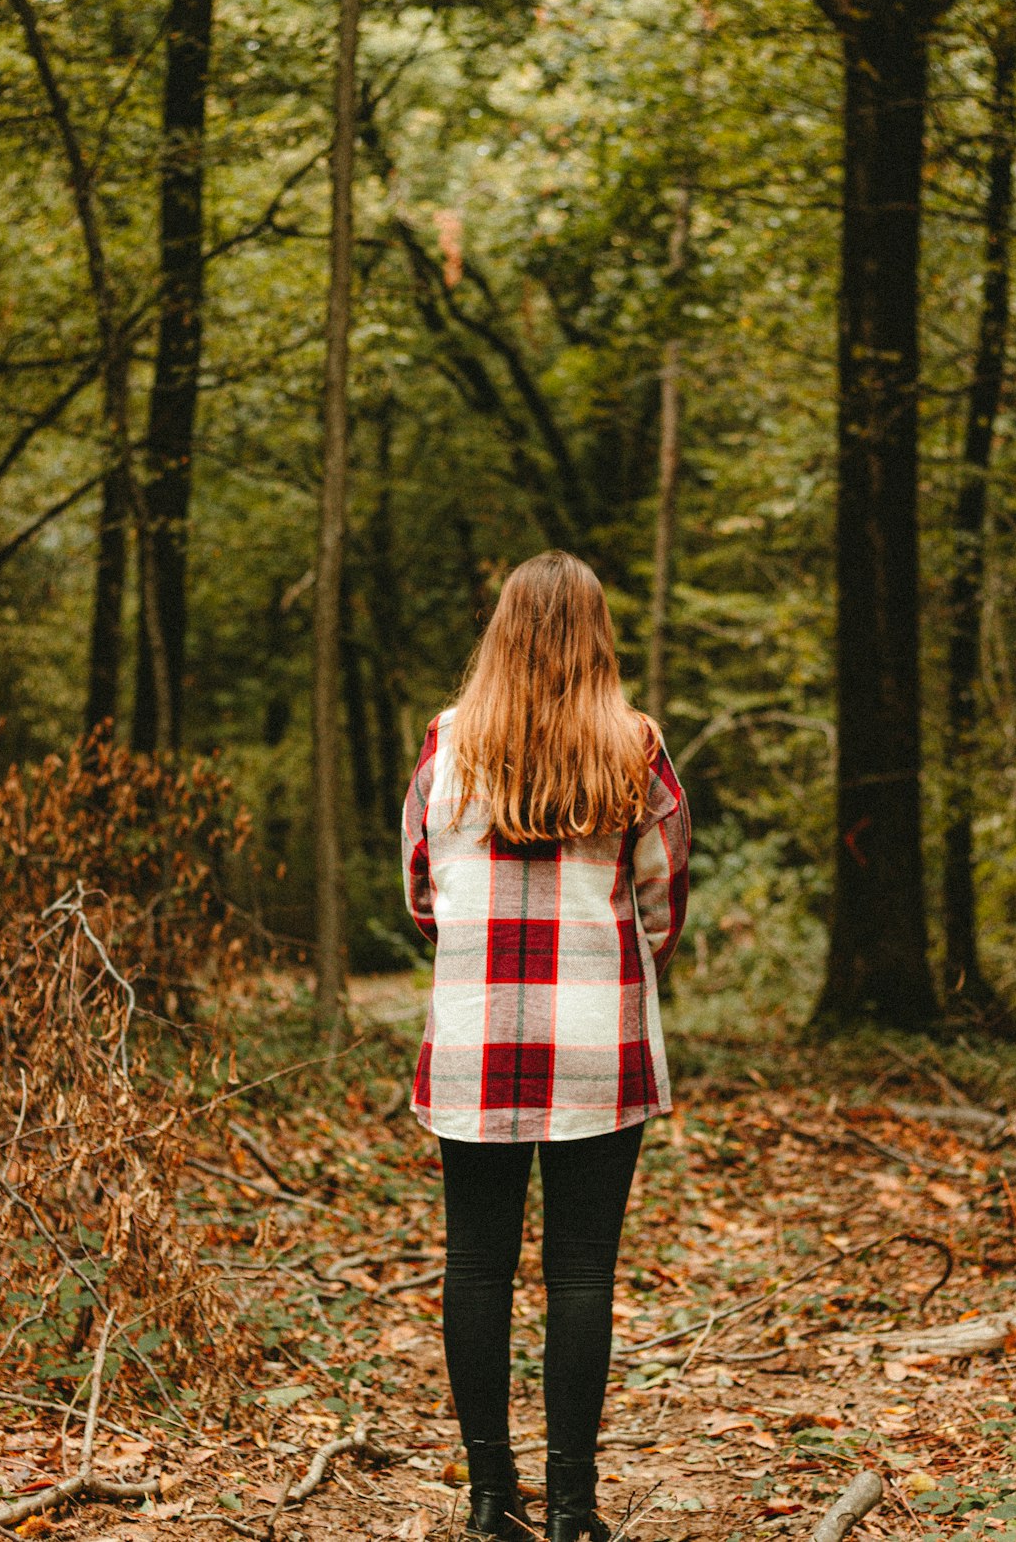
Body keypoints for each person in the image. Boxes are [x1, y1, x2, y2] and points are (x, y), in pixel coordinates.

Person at [401, 551, 690, 1542]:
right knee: (582, 1272)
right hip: (597, 1044)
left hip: (475, 1040)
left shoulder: (446, 747)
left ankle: (490, 1499)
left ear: (501, 630)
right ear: (598, 633)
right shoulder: (634, 747)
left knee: (476, 1267)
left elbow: (421, 897)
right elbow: (659, 902)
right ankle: (572, 1506)